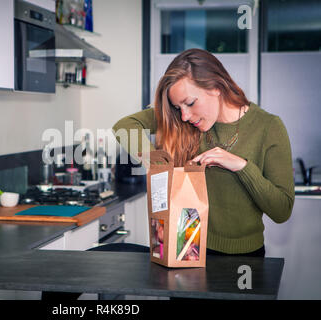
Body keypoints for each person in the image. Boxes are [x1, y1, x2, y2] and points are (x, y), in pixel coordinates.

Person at [112, 48, 295, 257]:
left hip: (244, 260)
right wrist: (160, 167)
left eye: (190, 103)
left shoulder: (268, 127)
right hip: (186, 250)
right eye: (178, 107)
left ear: (216, 86)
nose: (185, 116)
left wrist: (241, 166)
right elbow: (124, 127)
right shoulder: (183, 120)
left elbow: (282, 211)